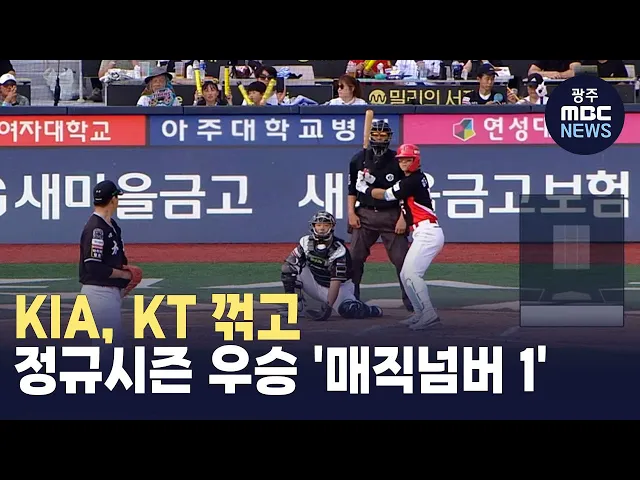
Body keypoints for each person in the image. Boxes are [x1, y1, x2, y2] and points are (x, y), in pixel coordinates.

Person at [355, 144, 444, 330]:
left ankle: (429, 313)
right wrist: (371, 178)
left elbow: (387, 194)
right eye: (401, 160)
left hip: (428, 232)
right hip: (422, 232)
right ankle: (419, 312)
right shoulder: (410, 179)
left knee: (412, 274)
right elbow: (390, 184)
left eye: (408, 160)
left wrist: (364, 188)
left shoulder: (412, 181)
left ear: (416, 160)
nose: (403, 163)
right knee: (405, 273)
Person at [348, 120, 413, 312]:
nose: (379, 138)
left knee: (402, 260)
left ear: (389, 137)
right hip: (365, 214)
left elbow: (407, 192)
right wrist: (351, 213)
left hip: (391, 215)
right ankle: (351, 297)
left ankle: (411, 299)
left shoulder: (397, 160)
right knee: (355, 258)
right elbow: (351, 189)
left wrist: (403, 218)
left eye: (383, 135)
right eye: (375, 134)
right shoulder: (358, 159)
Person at [280, 210, 383, 320]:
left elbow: (335, 281)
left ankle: (371, 310)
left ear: (332, 227)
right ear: (313, 226)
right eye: (319, 225)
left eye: (326, 225)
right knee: (288, 268)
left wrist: (328, 307)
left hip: (338, 289)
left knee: (349, 310)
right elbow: (290, 261)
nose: (322, 228)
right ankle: (295, 307)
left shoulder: (339, 250)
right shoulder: (305, 242)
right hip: (314, 281)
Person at [79, 180, 133, 345]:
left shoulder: (111, 225)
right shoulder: (96, 229)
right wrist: (124, 275)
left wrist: (123, 282)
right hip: (99, 294)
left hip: (108, 293)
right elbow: (94, 266)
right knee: (108, 346)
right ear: (113, 200)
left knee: (110, 345)